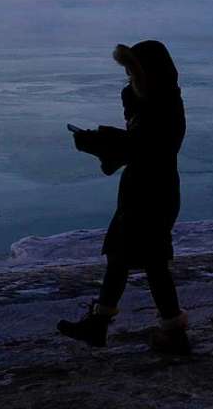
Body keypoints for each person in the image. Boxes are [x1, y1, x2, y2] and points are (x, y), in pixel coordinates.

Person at [57, 40, 189, 354]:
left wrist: (97, 142)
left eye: (132, 73)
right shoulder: (153, 102)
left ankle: (171, 335)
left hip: (152, 194)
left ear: (149, 73)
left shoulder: (163, 106)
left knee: (147, 262)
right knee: (123, 256)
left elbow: (143, 147)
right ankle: (101, 325)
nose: (128, 79)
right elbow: (138, 143)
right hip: (146, 191)